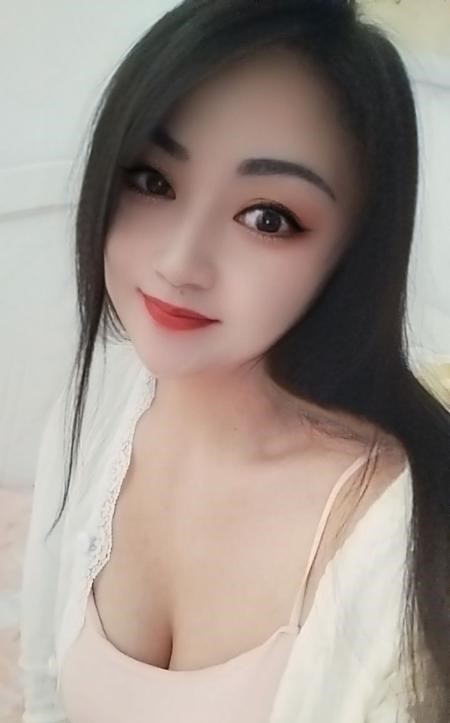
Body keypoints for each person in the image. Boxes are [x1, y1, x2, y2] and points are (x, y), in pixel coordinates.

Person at [19, 1, 450, 722]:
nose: (179, 262)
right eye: (153, 180)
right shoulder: (95, 409)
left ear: (352, 251)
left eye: (267, 218)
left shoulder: (400, 541)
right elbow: (43, 690)